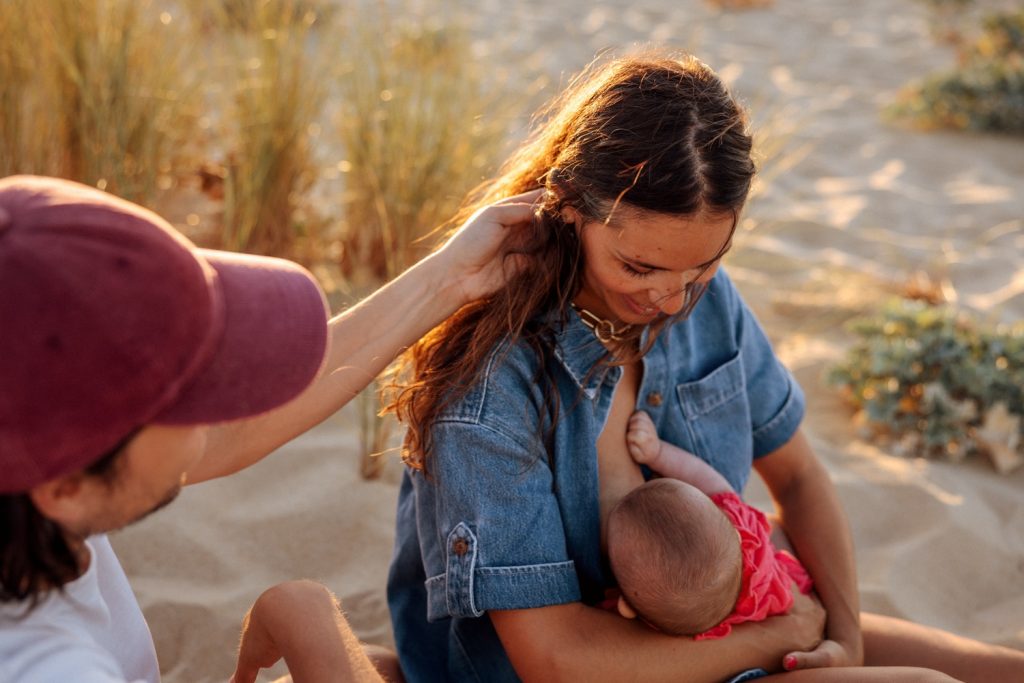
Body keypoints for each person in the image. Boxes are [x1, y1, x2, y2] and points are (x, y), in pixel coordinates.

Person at [384, 52, 1024, 682]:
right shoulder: (492, 384)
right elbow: (555, 661)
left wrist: (846, 640)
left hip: (734, 629)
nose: (671, 300)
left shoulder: (706, 303)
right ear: (569, 209)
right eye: (640, 267)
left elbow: (798, 477)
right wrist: (784, 635)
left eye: (703, 264)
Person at [0, 174, 540, 682]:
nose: (217, 413)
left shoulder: (30, 468)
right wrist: (314, 633)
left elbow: (231, 434)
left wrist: (449, 278)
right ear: (66, 487)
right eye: (191, 398)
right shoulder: (50, 665)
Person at [606, 411, 813, 645]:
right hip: (789, 597)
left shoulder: (659, 624)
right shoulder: (744, 530)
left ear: (626, 606)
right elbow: (707, 479)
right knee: (774, 529)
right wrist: (658, 453)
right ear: (737, 534)